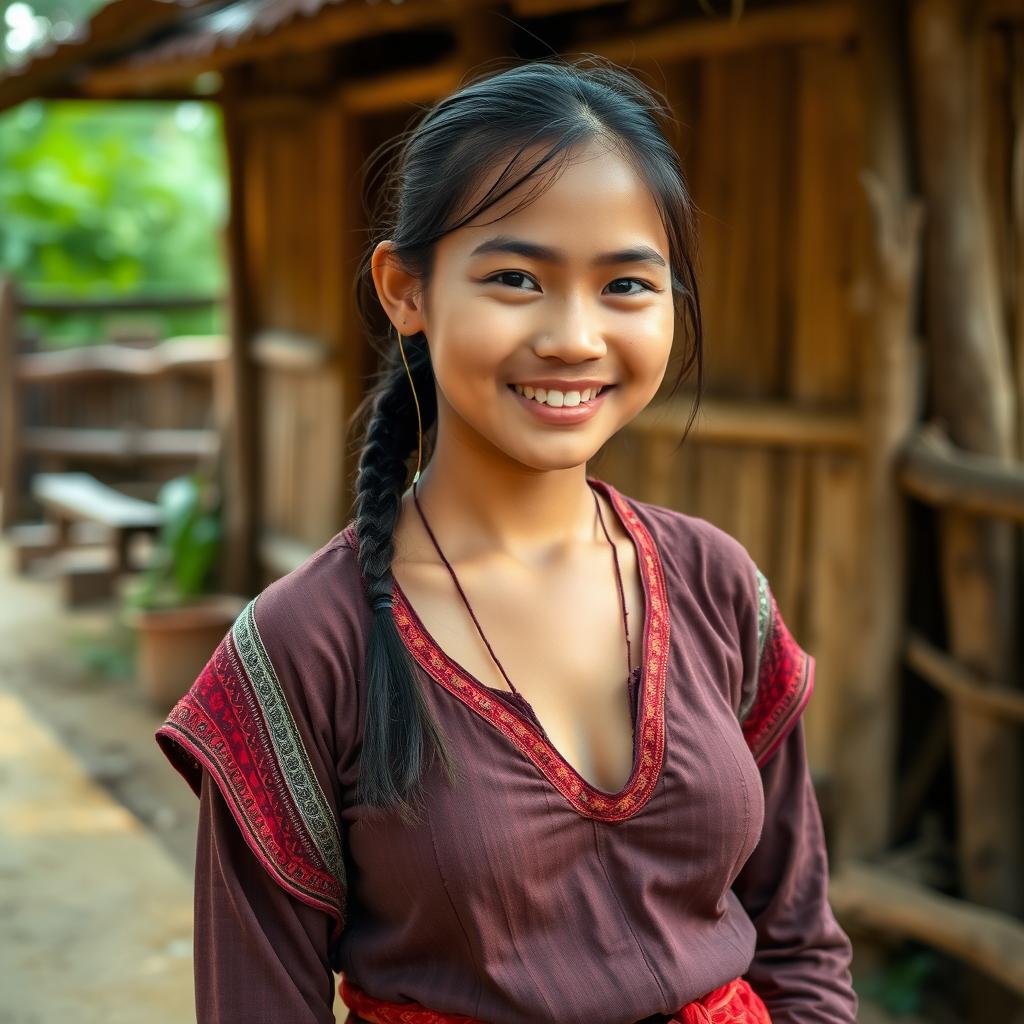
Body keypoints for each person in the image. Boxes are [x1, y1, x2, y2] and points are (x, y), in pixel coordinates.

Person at [155, 55, 859, 1024]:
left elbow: (799, 942)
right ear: (406, 289)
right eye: (516, 277)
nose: (573, 336)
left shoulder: (715, 583)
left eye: (625, 285)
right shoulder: (305, 645)